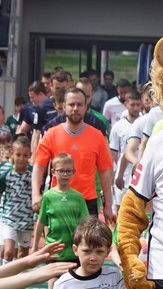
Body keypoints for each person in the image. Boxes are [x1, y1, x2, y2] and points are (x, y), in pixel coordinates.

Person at [32, 88, 114, 223]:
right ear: (64, 106)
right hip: (58, 201)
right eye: (71, 104)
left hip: (87, 202)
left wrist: (108, 205)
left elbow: (105, 171)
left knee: (88, 238)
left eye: (79, 104)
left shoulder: (97, 136)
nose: (75, 108)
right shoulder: (51, 134)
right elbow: (38, 166)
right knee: (57, 238)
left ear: (86, 107)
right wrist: (35, 194)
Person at [32, 153, 89, 289]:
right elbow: (41, 222)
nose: (65, 174)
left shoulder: (78, 197)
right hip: (55, 249)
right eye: (61, 171)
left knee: (73, 284)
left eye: (68, 171)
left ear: (73, 172)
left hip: (73, 250)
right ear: (53, 172)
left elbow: (85, 223)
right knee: (53, 281)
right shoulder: (48, 196)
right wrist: (34, 247)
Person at [0, 136, 34, 289]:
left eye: (25, 155)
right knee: (8, 251)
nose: (21, 158)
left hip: (26, 219)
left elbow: (37, 195)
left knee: (22, 255)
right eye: (18, 155)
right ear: (12, 153)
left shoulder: (32, 174)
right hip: (8, 217)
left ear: (29, 155)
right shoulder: (5, 175)